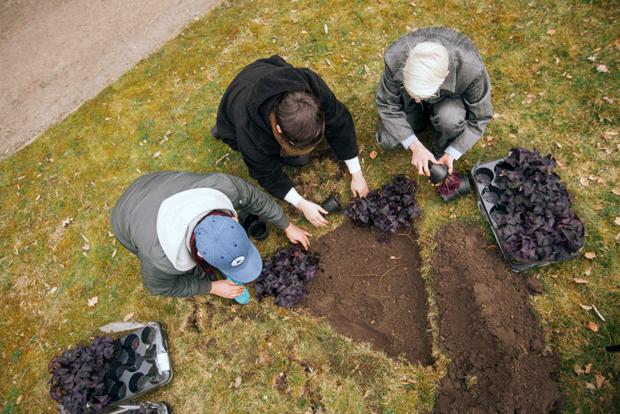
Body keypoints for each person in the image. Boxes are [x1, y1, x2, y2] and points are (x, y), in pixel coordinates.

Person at [212, 55, 369, 227]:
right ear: (278, 130)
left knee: (301, 158)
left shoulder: (309, 84)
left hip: (267, 72)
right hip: (236, 103)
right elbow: (266, 174)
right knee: (299, 160)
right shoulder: (250, 134)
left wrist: (357, 174)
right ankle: (221, 129)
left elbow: (339, 120)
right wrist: (301, 204)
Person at [110, 171, 310, 298]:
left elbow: (254, 198)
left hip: (151, 183)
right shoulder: (161, 260)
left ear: (234, 220)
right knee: (155, 255)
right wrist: (211, 287)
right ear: (201, 256)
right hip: (126, 216)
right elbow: (159, 287)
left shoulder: (224, 186)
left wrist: (286, 225)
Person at [376, 27, 493, 176]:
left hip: (449, 99)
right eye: (415, 95)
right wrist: (415, 145)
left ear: (445, 75)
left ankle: (441, 149)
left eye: (421, 96)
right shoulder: (394, 58)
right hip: (407, 99)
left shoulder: (472, 70)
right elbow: (386, 104)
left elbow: (480, 118)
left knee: (450, 119)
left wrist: (451, 153)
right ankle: (417, 120)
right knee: (386, 139)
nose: (418, 100)